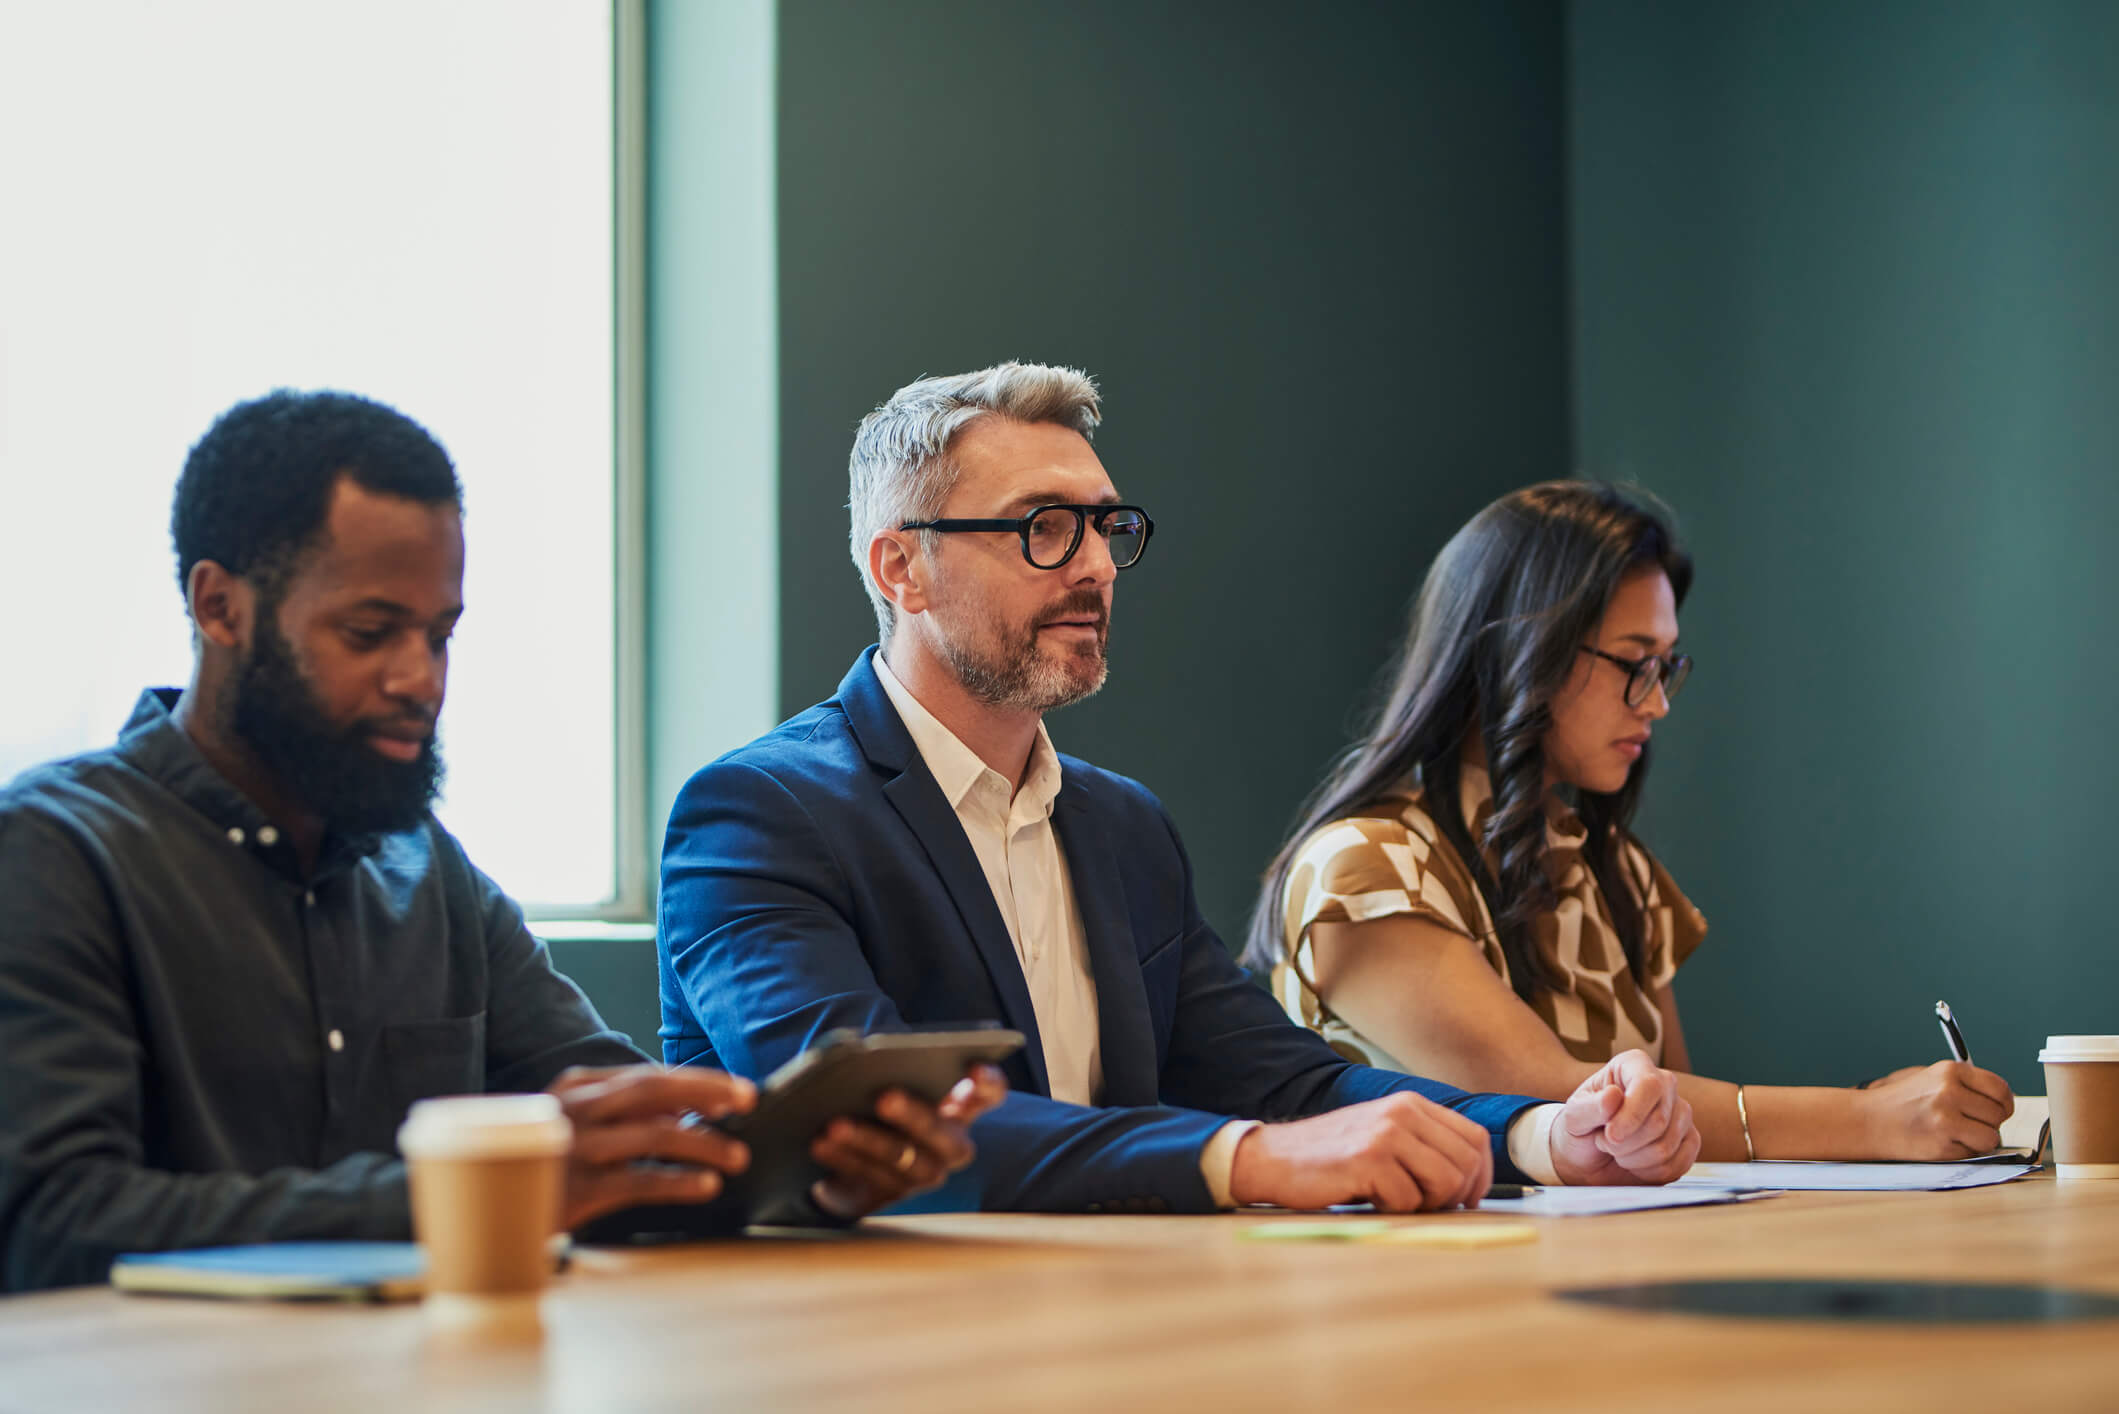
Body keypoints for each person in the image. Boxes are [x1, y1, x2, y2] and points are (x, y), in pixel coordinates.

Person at [0, 390, 1000, 1292]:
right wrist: (476, 1189)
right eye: (369, 631)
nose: (419, 680)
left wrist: (818, 1171)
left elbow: (619, 1151)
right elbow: (51, 1222)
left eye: (439, 635)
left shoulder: (424, 870)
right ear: (219, 606)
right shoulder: (53, 853)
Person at [659, 364, 1698, 1216]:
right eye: (1043, 527)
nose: (1095, 568)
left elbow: (1289, 1083)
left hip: (1123, 1312)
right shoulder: (758, 814)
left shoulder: (1121, 825)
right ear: (902, 570)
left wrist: (1542, 1133)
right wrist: (1248, 1160)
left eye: (1107, 529)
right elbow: (885, 1120)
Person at [1245, 480, 2014, 1162]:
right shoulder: (1363, 868)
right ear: (1521, 650)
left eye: (1667, 664)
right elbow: (1560, 1105)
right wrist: (1863, 1121)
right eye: (1632, 662)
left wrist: (1874, 1113)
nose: (1656, 702)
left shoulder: (1609, 865)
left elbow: (1673, 1112)